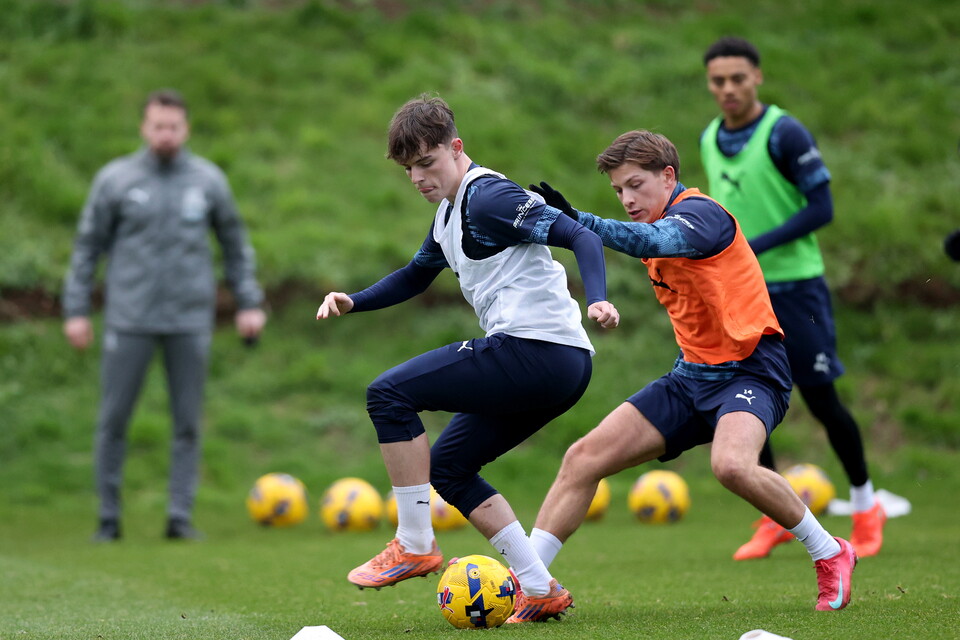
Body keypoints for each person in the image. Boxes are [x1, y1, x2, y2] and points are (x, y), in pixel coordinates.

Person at [315, 94, 618, 623]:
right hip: (557, 365)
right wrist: (354, 300)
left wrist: (597, 296)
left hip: (538, 350)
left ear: (457, 149)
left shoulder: (489, 198)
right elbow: (414, 275)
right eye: (409, 169)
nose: (419, 177)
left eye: (427, 162)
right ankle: (538, 586)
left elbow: (579, 234)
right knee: (450, 468)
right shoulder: (449, 212)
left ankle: (413, 542)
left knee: (388, 394)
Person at [528, 129, 856, 611]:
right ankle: (533, 585)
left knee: (731, 466)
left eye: (636, 184)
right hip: (691, 378)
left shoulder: (701, 217)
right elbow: (640, 237)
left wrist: (578, 220)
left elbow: (649, 237)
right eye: (618, 190)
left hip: (751, 370)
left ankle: (831, 552)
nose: (627, 198)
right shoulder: (657, 223)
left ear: (668, 176)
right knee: (583, 458)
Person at [699, 36, 886, 560]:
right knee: (749, 399)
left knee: (821, 398)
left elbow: (821, 207)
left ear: (757, 77)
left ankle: (866, 507)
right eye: (718, 81)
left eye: (738, 78)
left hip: (797, 287)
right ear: (709, 84)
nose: (729, 89)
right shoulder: (711, 136)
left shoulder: (784, 131)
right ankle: (774, 516)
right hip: (743, 293)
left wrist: (754, 247)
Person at [62, 89, 267, 542]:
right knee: (113, 421)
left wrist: (249, 302)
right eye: (158, 126)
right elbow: (86, 247)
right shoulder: (115, 180)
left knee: (188, 423)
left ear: (185, 128)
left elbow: (235, 245)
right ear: (144, 127)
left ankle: (179, 516)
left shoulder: (208, 181)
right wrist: (76, 310)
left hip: (190, 320)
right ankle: (109, 517)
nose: (165, 135)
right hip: (128, 319)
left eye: (173, 127)